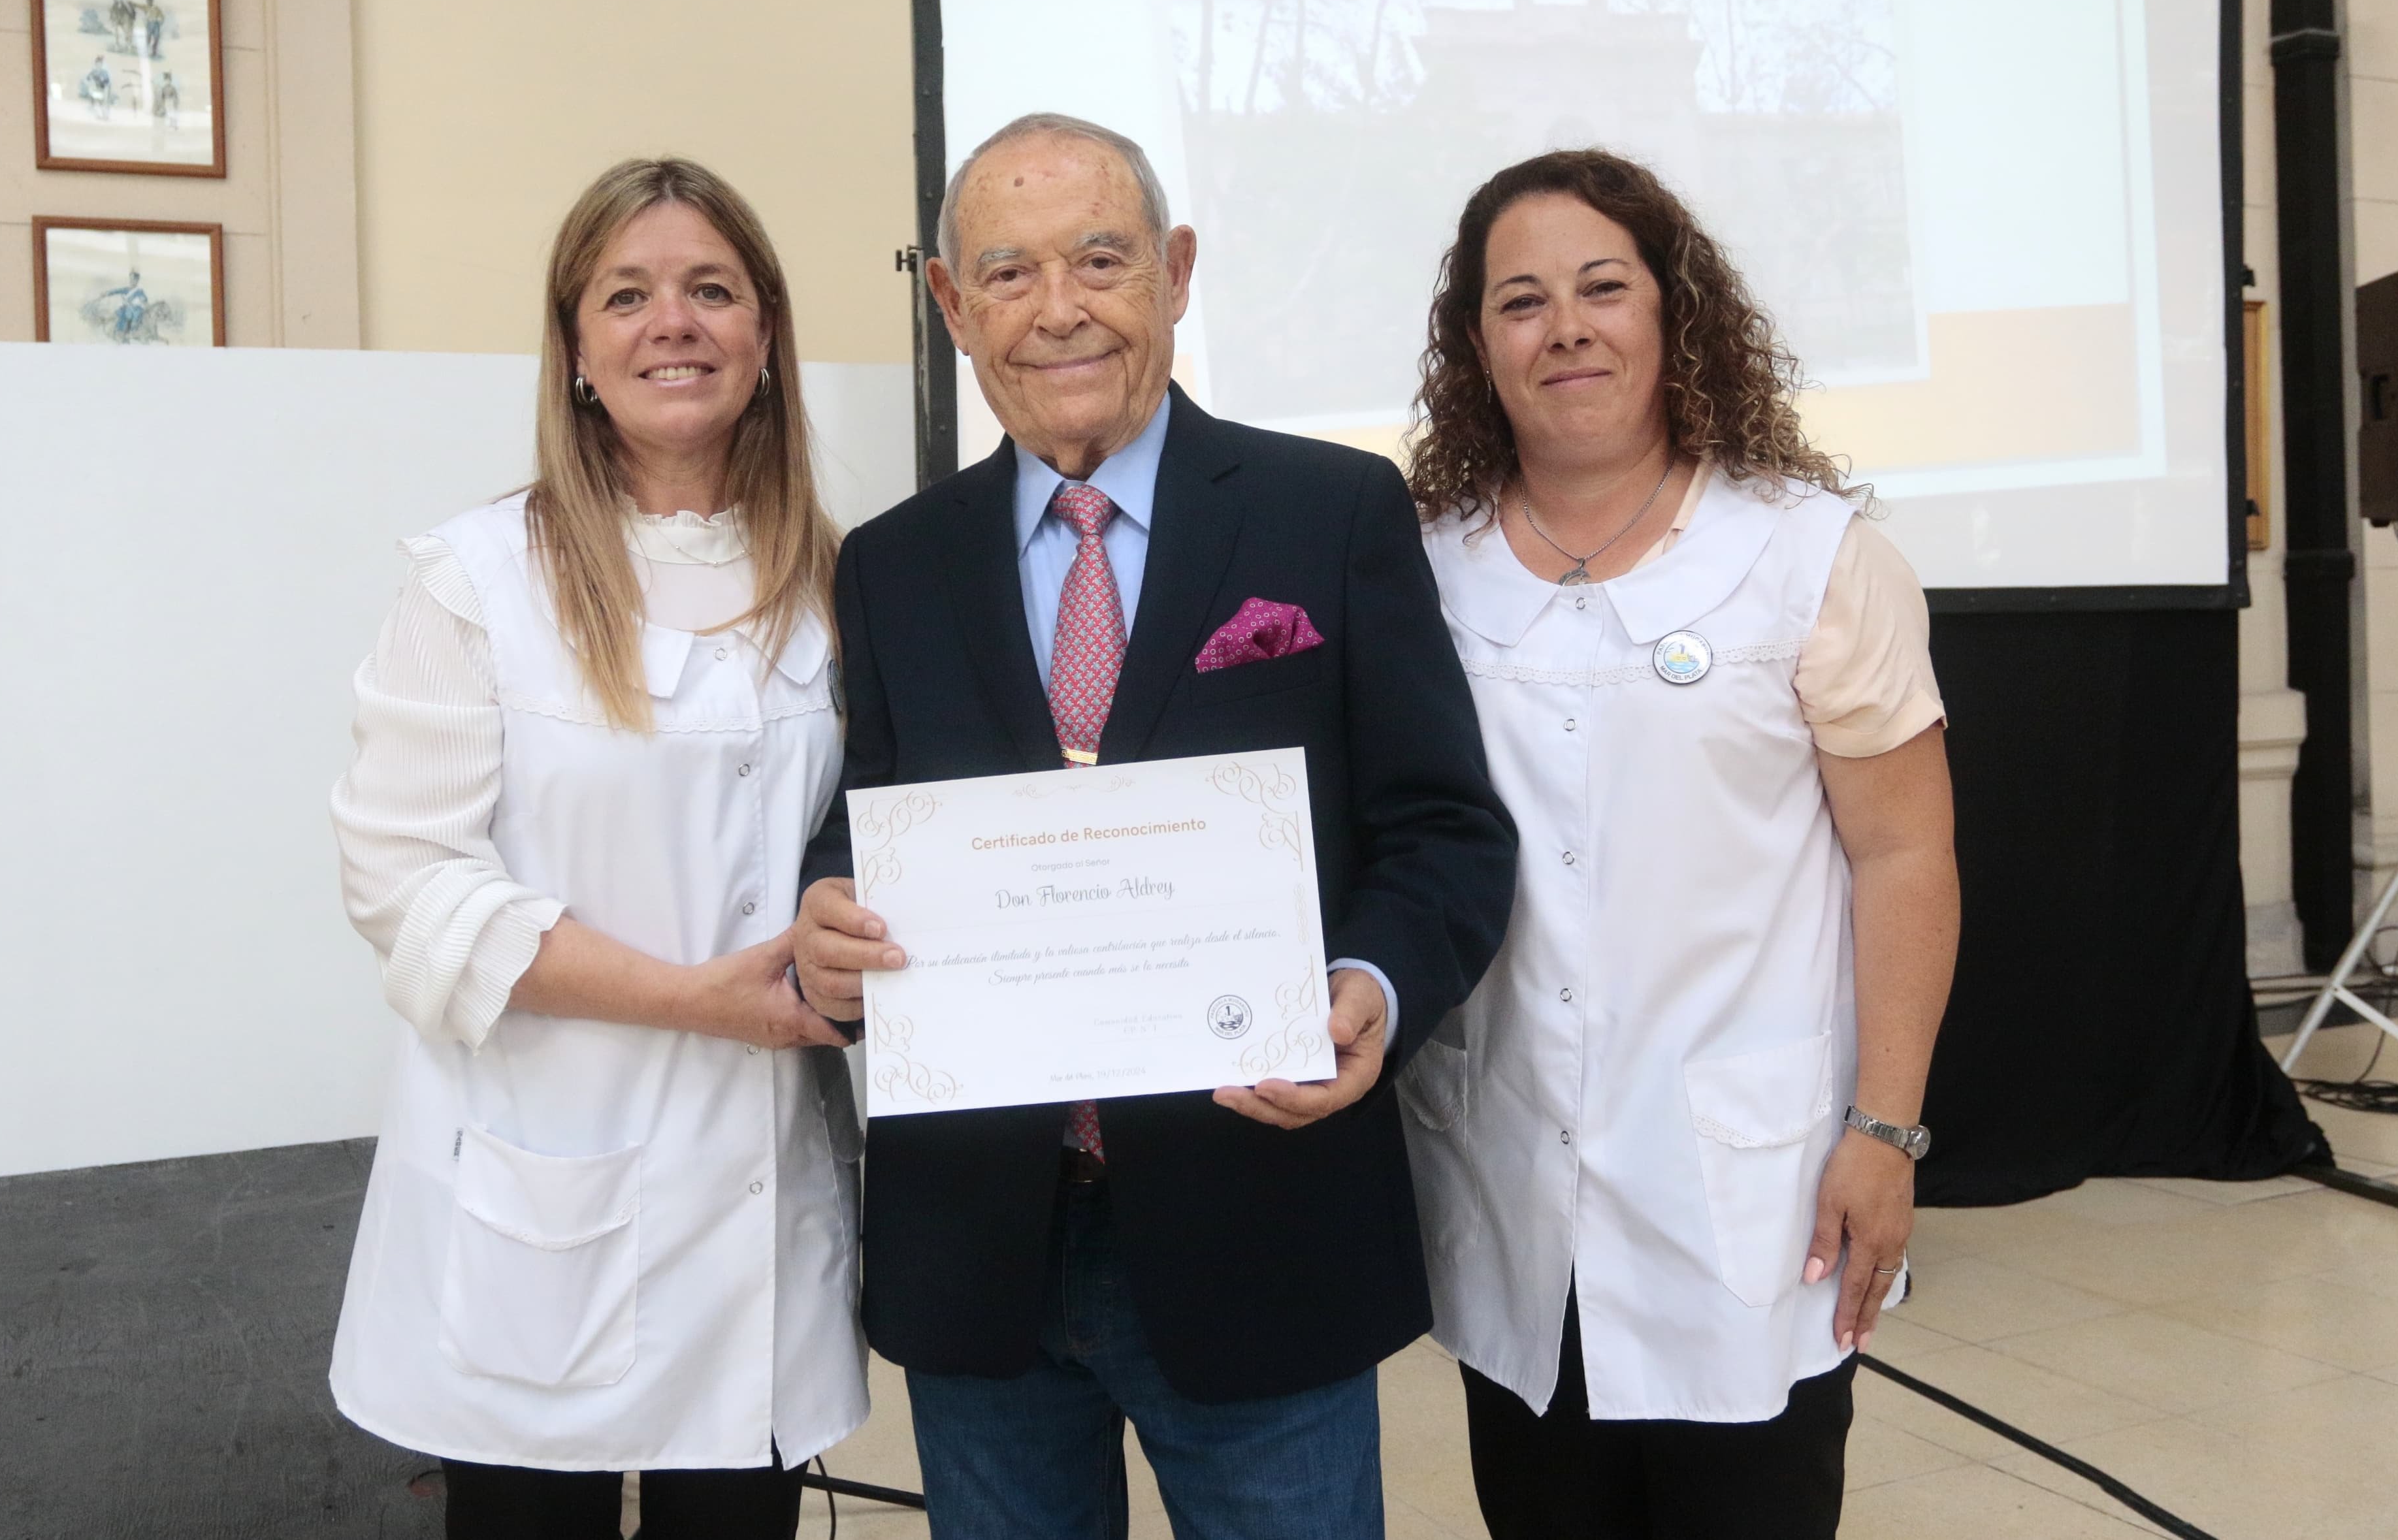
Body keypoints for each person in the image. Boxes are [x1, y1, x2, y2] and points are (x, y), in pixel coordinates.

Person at [792, 112, 1517, 1540]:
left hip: (1264, 1215)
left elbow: (1442, 830)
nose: (1056, 308)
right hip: (983, 1240)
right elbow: (862, 829)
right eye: (1006, 272)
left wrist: (1366, 991)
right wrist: (829, 923)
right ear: (950, 305)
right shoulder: (890, 565)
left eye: (1101, 259)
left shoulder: (1332, 512)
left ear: (1176, 273)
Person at [1397, 150, 1961, 1540]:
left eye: (1604, 287)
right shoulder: (1419, 563)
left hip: (1750, 1197)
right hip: (1509, 1180)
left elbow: (1904, 856)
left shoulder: (1811, 556)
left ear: (1673, 313)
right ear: (1477, 345)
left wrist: (1884, 1130)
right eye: (1520, 301)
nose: (1566, 327)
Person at [328, 157, 864, 1539]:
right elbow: (407, 885)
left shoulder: (833, 578)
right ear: (574, 349)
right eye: (625, 295)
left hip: (756, 1205)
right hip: (538, 1191)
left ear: (764, 336)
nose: (670, 324)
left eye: (709, 291)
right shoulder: (475, 580)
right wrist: (692, 999)